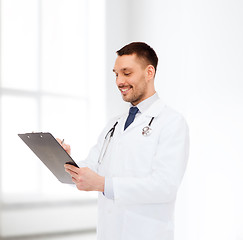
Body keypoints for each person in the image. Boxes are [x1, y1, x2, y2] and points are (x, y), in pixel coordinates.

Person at [60, 42, 189, 240]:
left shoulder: (172, 122)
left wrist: (104, 185)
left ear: (149, 72)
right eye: (116, 74)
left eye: (126, 73)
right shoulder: (114, 125)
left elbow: (165, 187)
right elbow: (93, 168)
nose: (119, 81)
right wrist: (65, 161)